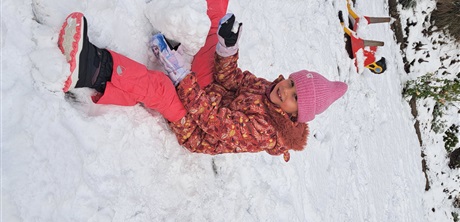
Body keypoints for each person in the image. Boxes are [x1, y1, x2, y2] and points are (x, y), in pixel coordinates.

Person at [58, 0, 348, 162]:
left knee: (160, 88)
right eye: (293, 84)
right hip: (208, 95)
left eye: (294, 97)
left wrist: (183, 78)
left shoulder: (266, 131)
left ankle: (91, 68)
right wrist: (227, 48)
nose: (286, 90)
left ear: (294, 116)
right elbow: (231, 78)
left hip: (196, 127)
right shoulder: (269, 89)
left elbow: (212, 122)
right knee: (214, 26)